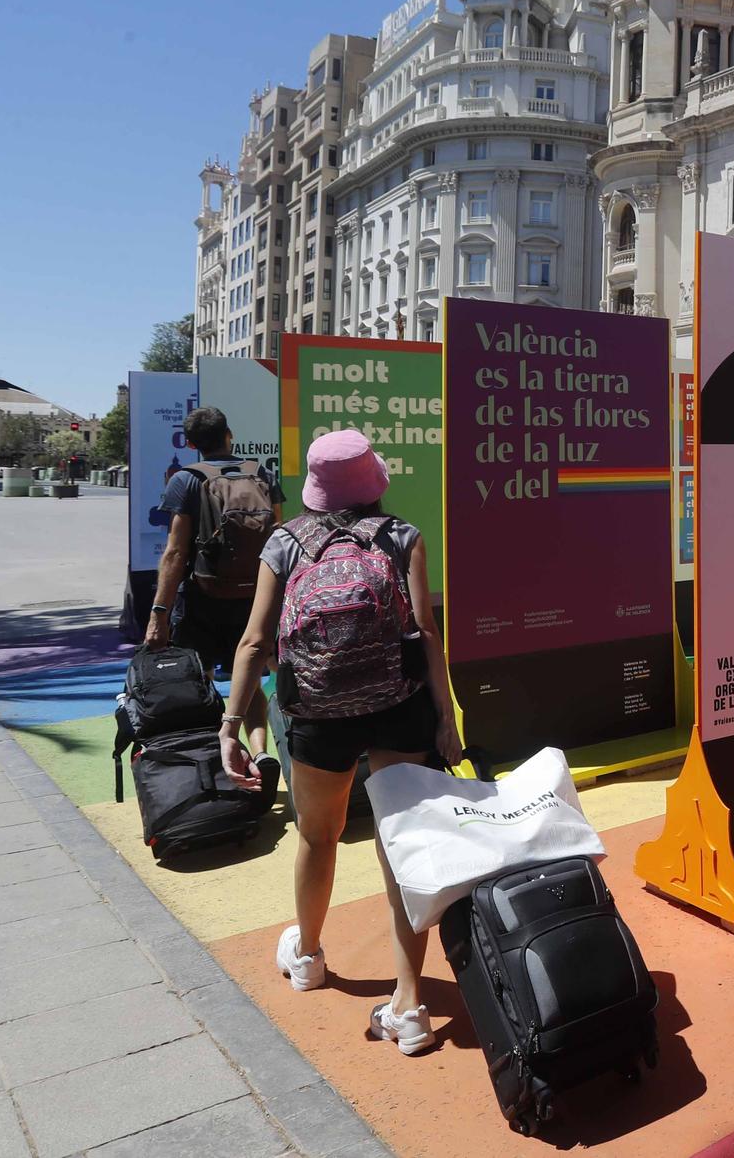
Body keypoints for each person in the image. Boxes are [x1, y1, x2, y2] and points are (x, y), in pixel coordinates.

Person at [219, 429, 462, 1056]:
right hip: (401, 705)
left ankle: (306, 955)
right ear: (374, 482)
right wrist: (446, 718)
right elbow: (427, 631)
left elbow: (254, 642)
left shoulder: (284, 541)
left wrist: (229, 726)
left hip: (317, 711)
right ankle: (410, 1007)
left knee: (317, 835)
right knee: (401, 849)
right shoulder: (402, 535)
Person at [146, 406, 281, 784]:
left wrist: (159, 613)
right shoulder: (262, 473)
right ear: (229, 434)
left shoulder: (186, 480)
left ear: (190, 444)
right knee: (251, 680)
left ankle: (222, 762)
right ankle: (261, 752)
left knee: (201, 684)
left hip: (203, 599)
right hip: (254, 598)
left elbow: (175, 551)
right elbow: (278, 539)